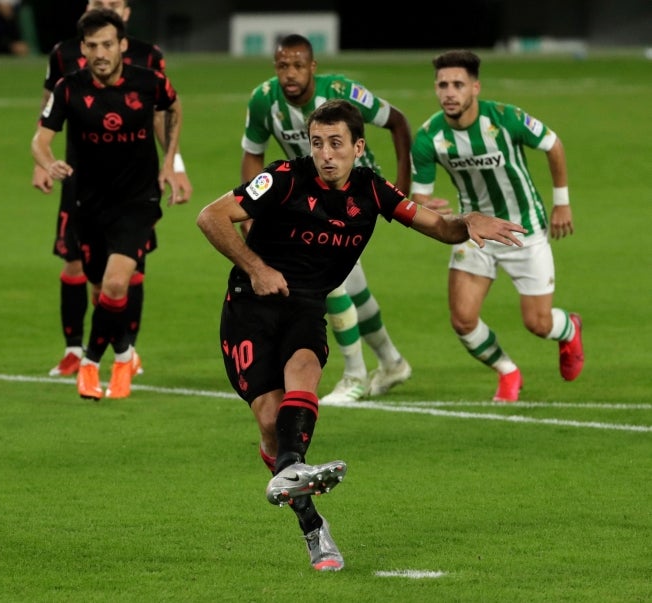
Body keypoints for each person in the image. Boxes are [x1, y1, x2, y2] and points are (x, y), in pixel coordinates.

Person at [197, 99, 526, 571]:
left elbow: (439, 227)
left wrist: (467, 221)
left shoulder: (373, 189)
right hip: (250, 307)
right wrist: (256, 267)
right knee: (270, 425)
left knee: (305, 374)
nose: (326, 154)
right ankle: (312, 520)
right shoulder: (284, 178)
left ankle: (298, 491)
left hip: (306, 306)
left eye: (336, 144)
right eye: (317, 143)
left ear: (358, 147)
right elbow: (210, 215)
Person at [241, 34, 411, 404]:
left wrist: (402, 187)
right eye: (283, 66)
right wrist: (251, 211)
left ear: (312, 67)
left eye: (298, 65)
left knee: (325, 283)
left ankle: (354, 375)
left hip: (358, 198)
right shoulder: (263, 100)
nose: (290, 73)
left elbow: (398, 121)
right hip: (312, 201)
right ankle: (392, 362)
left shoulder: (341, 90)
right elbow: (253, 154)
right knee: (353, 287)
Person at [409, 49, 584, 402]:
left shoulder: (505, 119)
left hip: (525, 230)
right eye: (442, 84)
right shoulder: (429, 138)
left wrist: (562, 201)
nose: (449, 92)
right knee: (462, 320)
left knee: (538, 324)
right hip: (474, 231)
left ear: (476, 87)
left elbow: (553, 144)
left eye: (458, 84)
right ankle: (508, 371)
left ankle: (568, 328)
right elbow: (420, 196)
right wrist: (425, 205)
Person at [31, 8, 184, 400]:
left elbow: (172, 108)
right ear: (82, 49)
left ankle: (91, 363)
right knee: (102, 292)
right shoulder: (69, 88)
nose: (100, 52)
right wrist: (48, 163)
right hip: (88, 202)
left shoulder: (148, 82)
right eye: (93, 45)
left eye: (107, 44)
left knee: (117, 282)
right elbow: (40, 139)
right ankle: (125, 352)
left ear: (122, 46)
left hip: (137, 200)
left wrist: (170, 164)